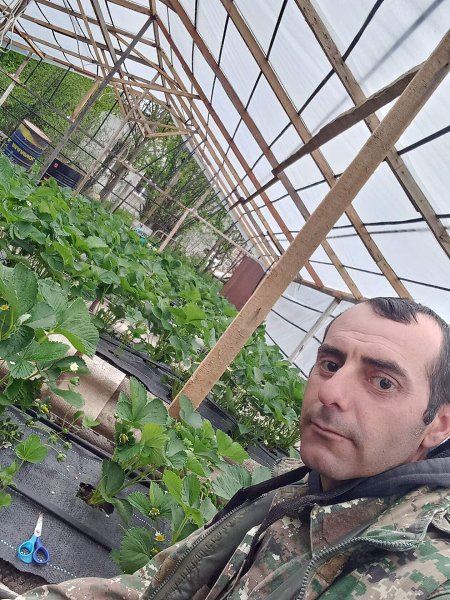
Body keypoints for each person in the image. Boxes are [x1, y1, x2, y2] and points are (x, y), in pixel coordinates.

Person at [15, 298, 450, 599]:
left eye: (382, 382)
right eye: (330, 364)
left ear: (439, 424)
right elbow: (154, 587)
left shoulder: (430, 572)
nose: (331, 392)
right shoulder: (294, 491)